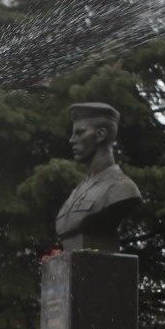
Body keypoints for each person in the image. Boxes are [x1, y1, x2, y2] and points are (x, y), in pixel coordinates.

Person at [55, 102, 140, 251]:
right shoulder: (77, 191)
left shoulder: (122, 188)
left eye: (79, 133)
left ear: (100, 135)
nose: (71, 140)